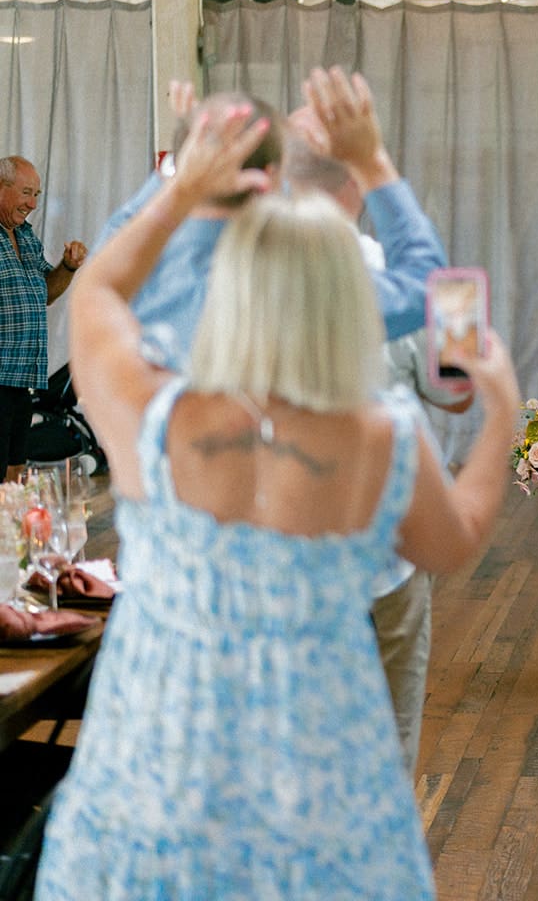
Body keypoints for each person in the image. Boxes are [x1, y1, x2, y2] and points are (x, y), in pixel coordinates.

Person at [36, 104, 522, 898]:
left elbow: (97, 293)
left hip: (160, 766)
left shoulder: (152, 418)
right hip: (324, 777)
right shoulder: (383, 439)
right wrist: (502, 413)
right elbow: (457, 538)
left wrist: (175, 183)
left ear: (230, 287)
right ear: (348, 299)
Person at [284, 136, 473, 775]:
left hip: (279, 542)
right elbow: (454, 393)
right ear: (358, 190)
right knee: (391, 725)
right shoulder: (407, 281)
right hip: (385, 539)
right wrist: (465, 345)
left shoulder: (238, 277)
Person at [95, 71, 446, 366]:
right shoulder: (310, 286)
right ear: (274, 178)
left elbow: (100, 270)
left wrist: (177, 173)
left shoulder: (147, 278)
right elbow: (424, 285)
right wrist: (370, 161)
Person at [0, 155, 86, 482]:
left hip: (22, 379)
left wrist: (68, 267)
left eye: (37, 194)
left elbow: (45, 293)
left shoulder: (24, 236)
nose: (33, 204)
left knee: (14, 474)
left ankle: (10, 534)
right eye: (26, 193)